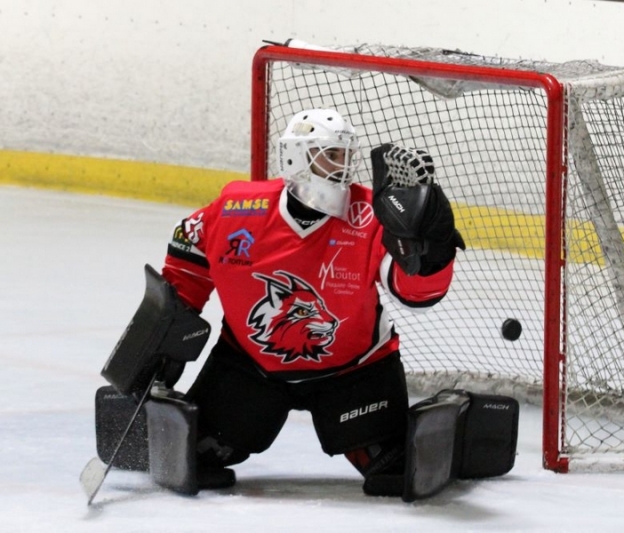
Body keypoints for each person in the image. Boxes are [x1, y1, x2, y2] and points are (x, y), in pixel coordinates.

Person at [153, 108, 466, 495]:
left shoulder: (370, 214)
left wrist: (431, 250)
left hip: (354, 370)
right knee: (195, 453)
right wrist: (161, 342)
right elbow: (186, 265)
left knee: (393, 466)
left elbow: (417, 292)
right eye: (331, 155)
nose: (344, 166)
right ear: (296, 156)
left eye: (346, 156)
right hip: (250, 368)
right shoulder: (238, 209)